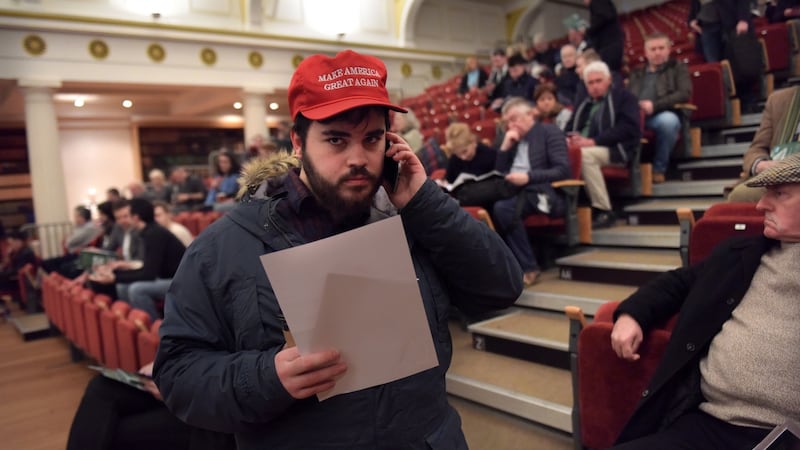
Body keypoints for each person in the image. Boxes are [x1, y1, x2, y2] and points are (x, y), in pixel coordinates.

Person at [153, 49, 523, 449]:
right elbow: (178, 373)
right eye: (335, 140)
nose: (358, 159)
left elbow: (500, 287)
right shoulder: (225, 245)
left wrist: (425, 201)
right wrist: (265, 377)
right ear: (298, 142)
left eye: (372, 139)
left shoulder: (415, 218)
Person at [608, 153, 800, 450]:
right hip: (704, 422)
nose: (761, 204)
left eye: (779, 194)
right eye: (764, 193)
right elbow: (678, 283)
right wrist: (632, 315)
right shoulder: (741, 254)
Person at [67, 362, 236, 450]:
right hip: (187, 383)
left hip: (215, 415)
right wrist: (163, 362)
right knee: (102, 386)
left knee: (108, 431)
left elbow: (244, 384)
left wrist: (182, 388)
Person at [494, 97, 570, 287]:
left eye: (514, 119)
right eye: (507, 122)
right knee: (487, 207)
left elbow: (562, 170)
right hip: (514, 190)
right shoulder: (513, 140)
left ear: (530, 115)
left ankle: (528, 267)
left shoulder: (549, 132)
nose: (510, 125)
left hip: (542, 192)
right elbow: (499, 173)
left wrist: (528, 177)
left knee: (504, 209)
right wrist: (504, 147)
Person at [565, 61, 642, 229]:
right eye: (590, 83)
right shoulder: (583, 104)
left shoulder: (624, 98)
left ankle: (603, 209)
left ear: (608, 80)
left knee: (585, 156)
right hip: (581, 146)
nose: (594, 86)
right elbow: (569, 128)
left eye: (598, 81)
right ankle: (566, 213)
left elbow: (628, 128)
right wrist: (568, 139)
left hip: (613, 149)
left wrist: (593, 142)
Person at [89, 198, 185, 319]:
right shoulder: (148, 232)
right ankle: (133, 322)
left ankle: (154, 329)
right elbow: (147, 269)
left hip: (180, 281)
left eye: (128, 215)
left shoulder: (154, 233)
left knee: (137, 289)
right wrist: (117, 277)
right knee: (122, 285)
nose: (125, 220)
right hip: (166, 277)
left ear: (136, 217)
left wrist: (115, 277)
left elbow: (148, 273)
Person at [626, 32, 692, 184]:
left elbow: (684, 93)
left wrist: (654, 106)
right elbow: (628, 95)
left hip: (662, 113)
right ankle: (627, 172)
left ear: (668, 49)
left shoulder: (677, 68)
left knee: (668, 122)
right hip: (637, 114)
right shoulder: (637, 73)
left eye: (661, 48)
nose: (657, 52)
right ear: (646, 52)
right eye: (653, 49)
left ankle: (659, 169)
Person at [728, 86, 800, 202]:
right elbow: (756, 149)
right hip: (774, 178)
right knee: (740, 196)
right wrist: (762, 166)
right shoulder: (778, 100)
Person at [584, 0, 624, 72]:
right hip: (611, 43)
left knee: (610, 72)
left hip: (608, 45)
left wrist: (588, 30)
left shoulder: (597, 2)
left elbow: (603, 17)